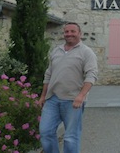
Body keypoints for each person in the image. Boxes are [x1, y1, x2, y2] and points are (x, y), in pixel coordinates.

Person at [39, 22, 98, 153]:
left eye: (73, 31)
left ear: (79, 34)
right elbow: (48, 74)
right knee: (45, 132)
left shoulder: (87, 53)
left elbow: (91, 76)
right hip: (52, 99)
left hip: (73, 100)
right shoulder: (56, 51)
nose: (69, 34)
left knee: (71, 137)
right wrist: (43, 96)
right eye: (66, 32)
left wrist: (81, 96)